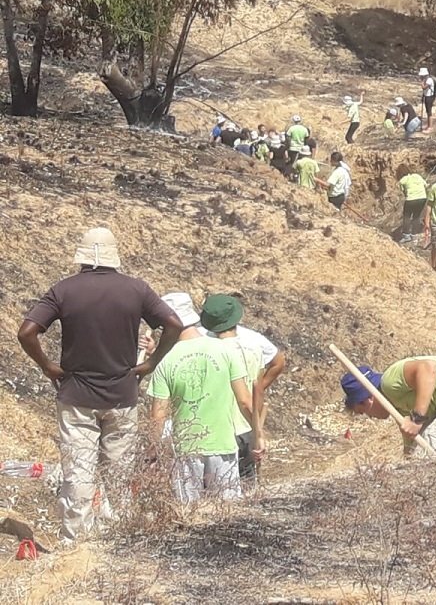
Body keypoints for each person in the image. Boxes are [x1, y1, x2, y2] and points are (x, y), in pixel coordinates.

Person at [16, 228, 184, 541]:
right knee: (118, 472)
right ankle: (116, 534)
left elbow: (26, 332)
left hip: (77, 395)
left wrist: (48, 366)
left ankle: (78, 540)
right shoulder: (136, 290)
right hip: (122, 395)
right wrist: (151, 363)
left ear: (81, 256)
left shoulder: (65, 290)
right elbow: (174, 324)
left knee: (79, 470)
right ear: (113, 256)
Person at [148, 294, 259, 504]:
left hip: (186, 450)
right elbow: (245, 401)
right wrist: (260, 435)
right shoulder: (225, 350)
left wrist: (154, 453)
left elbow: (158, 417)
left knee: (190, 517)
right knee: (228, 515)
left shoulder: (166, 361)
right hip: (223, 445)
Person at [200, 294, 285, 489]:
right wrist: (259, 432)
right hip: (245, 425)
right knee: (247, 488)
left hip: (215, 429)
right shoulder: (254, 346)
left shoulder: (204, 348)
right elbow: (255, 391)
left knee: (215, 493)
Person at [397, 167, 428, 242]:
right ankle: (414, 235)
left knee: (407, 216)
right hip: (422, 198)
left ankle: (406, 235)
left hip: (411, 199)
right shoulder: (417, 176)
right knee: (416, 216)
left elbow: (404, 192)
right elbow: (426, 185)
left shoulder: (402, 180)